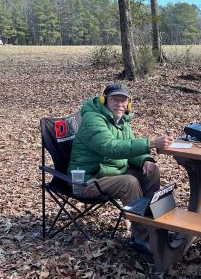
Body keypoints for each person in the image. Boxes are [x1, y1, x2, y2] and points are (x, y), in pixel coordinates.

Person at [67, 83, 174, 254]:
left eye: (123, 100)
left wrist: (145, 159)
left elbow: (127, 147)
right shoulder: (92, 119)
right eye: (114, 100)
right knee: (129, 182)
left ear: (129, 103)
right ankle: (141, 237)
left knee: (152, 170)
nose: (119, 104)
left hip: (110, 173)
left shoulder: (122, 120)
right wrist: (151, 143)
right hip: (86, 180)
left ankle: (154, 228)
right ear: (104, 100)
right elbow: (111, 147)